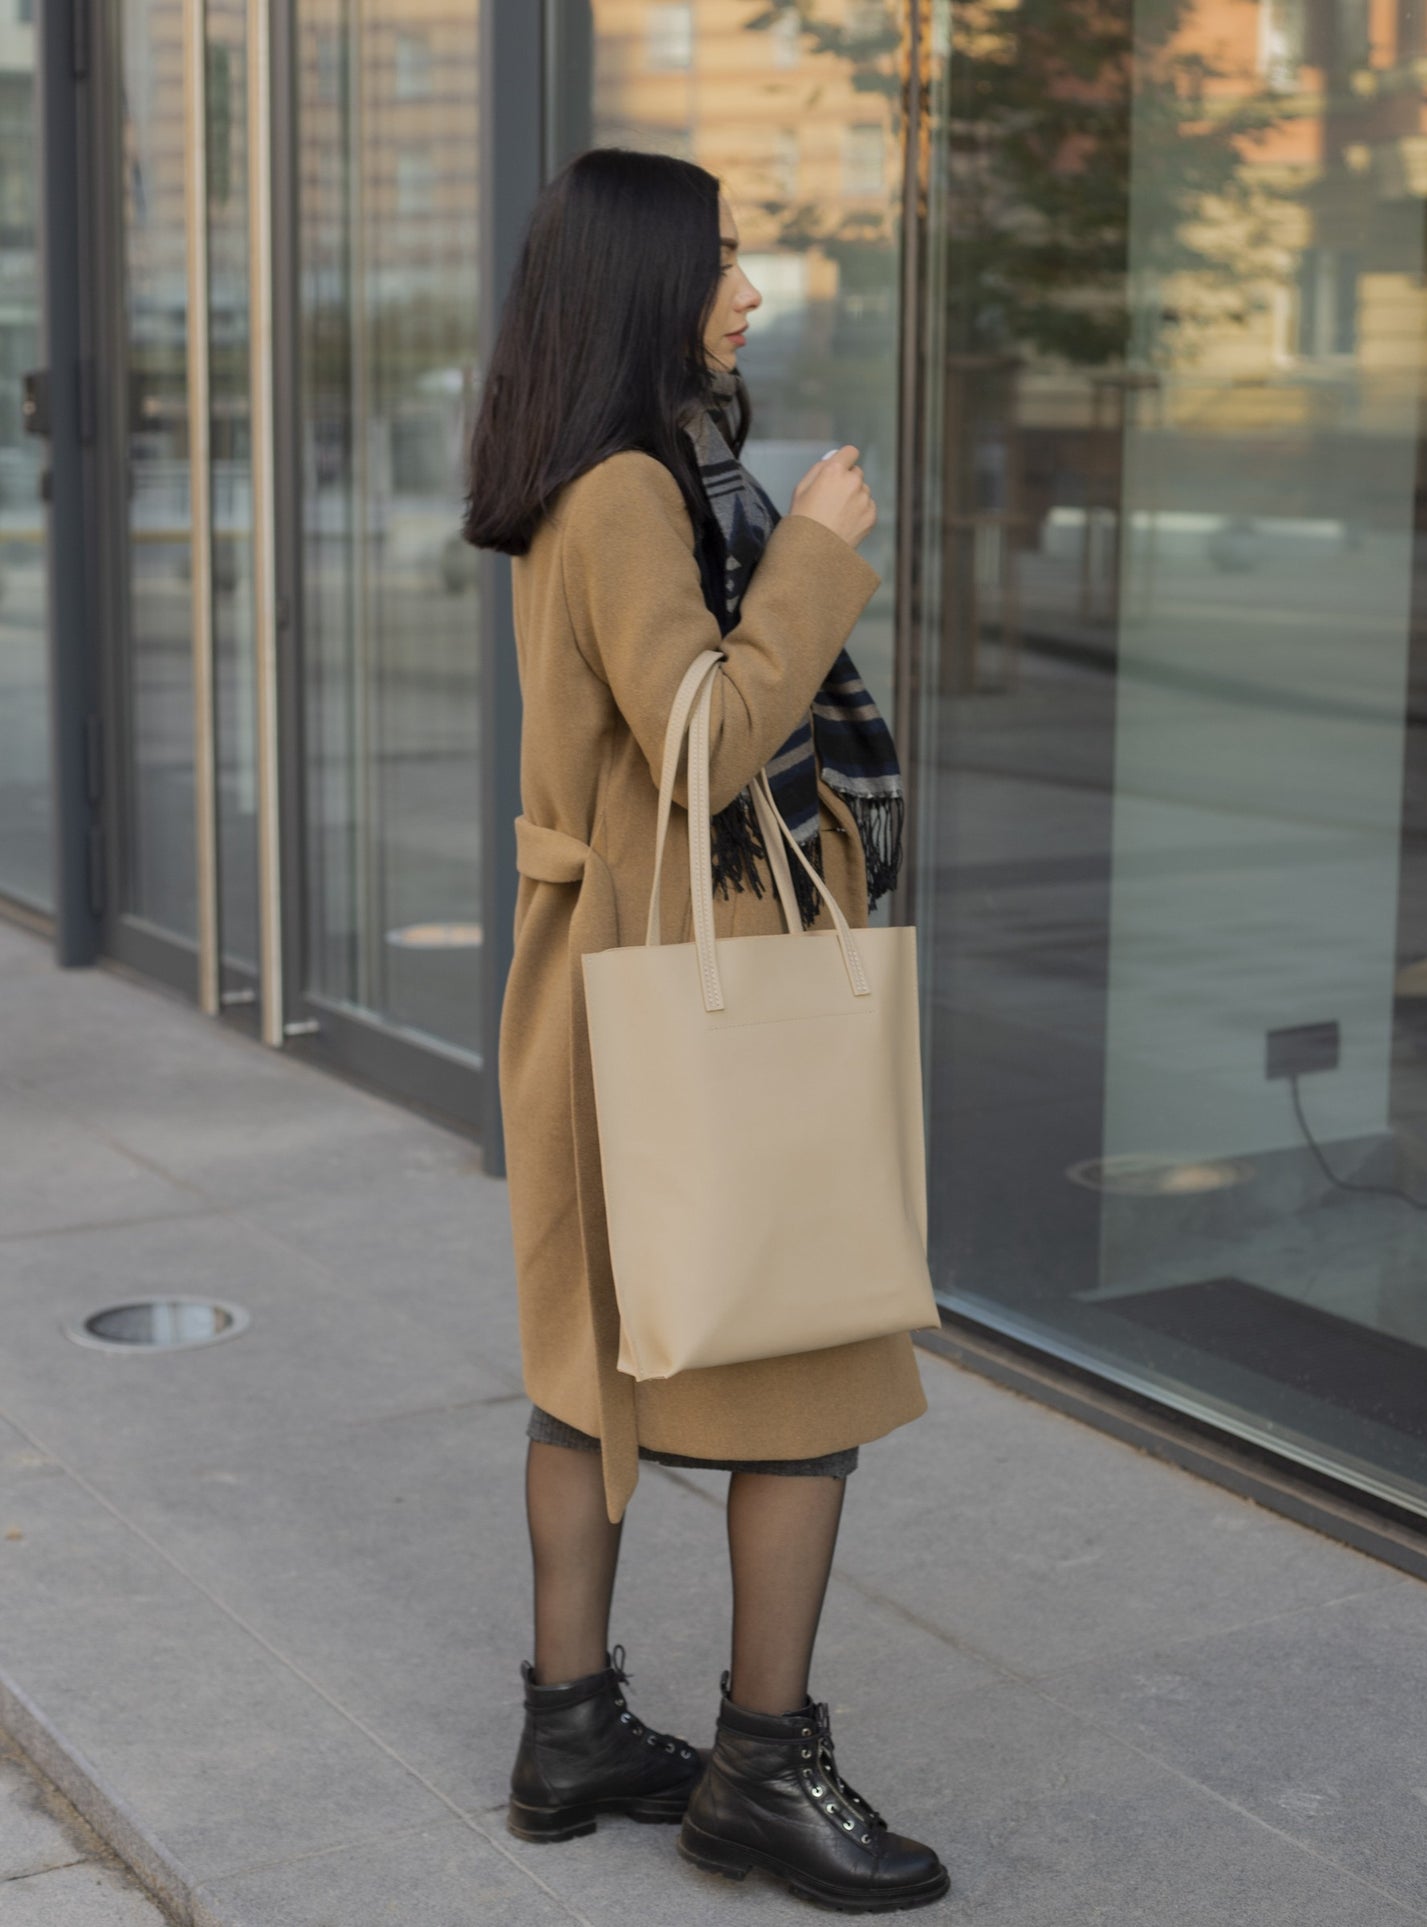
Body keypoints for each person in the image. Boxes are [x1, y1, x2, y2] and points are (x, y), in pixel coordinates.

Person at [463, 147, 947, 1914]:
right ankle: (759, 1766)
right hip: (689, 991)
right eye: (719, 257)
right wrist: (816, 560)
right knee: (794, 1368)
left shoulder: (626, 474)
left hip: (622, 979)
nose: (746, 285)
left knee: (594, 1373)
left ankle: (573, 1731)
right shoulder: (625, 492)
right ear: (642, 287)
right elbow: (700, 743)